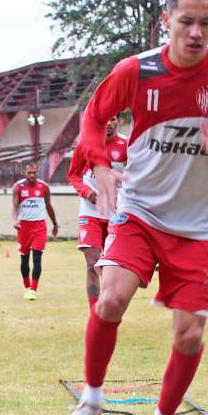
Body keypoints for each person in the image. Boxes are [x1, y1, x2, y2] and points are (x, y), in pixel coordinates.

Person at [57, 0, 208, 415]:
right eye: (187, 21)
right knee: (109, 298)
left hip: (196, 225)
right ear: (166, 21)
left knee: (189, 334)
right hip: (141, 210)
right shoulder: (137, 71)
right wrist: (101, 164)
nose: (196, 32)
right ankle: (91, 400)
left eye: (206, 23)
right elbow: (92, 117)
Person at [66, 114, 128, 310]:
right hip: (90, 212)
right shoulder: (85, 144)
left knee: (112, 266)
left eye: (113, 119)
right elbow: (73, 174)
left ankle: (109, 305)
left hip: (117, 214)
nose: (108, 123)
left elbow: (138, 175)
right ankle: (95, 311)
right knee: (92, 261)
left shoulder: (127, 145)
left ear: (119, 121)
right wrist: (87, 192)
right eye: (105, 119)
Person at [12, 162, 58, 300]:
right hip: (24, 228)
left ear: (37, 173)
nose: (32, 175)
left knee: (37, 259)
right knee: (24, 260)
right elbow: (14, 206)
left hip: (39, 227)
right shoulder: (18, 187)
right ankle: (26, 286)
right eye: (29, 173)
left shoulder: (44, 187)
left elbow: (49, 206)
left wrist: (55, 223)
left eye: (34, 172)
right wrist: (15, 220)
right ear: (25, 173)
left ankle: (33, 289)